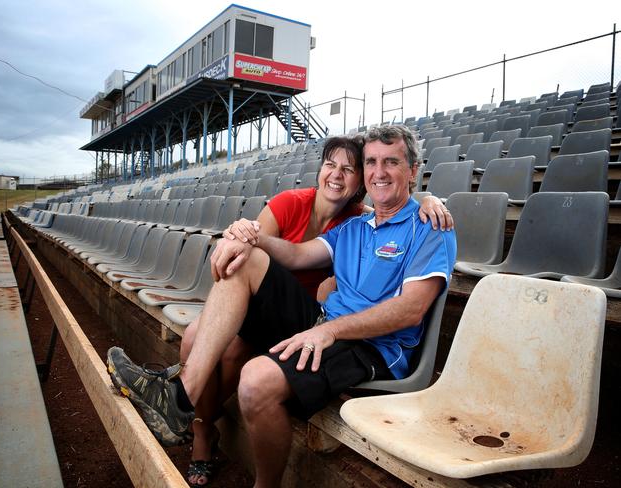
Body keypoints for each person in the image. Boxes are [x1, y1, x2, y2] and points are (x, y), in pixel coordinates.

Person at [108, 127, 456, 487]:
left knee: (255, 380)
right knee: (247, 258)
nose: (379, 171)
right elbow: (296, 253)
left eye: (392, 162)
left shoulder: (431, 227)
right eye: (371, 162)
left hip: (373, 348)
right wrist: (247, 233)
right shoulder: (355, 226)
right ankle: (179, 398)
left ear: (413, 170)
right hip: (324, 324)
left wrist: (329, 330)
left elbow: (410, 310)